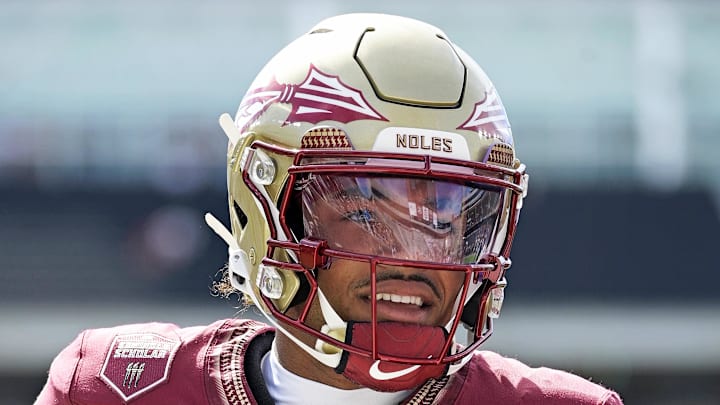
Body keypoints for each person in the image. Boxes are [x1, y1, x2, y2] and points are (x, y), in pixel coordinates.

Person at [35, 13, 623, 405]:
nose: (414, 259)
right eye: (367, 215)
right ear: (268, 213)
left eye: (444, 217)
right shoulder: (109, 388)